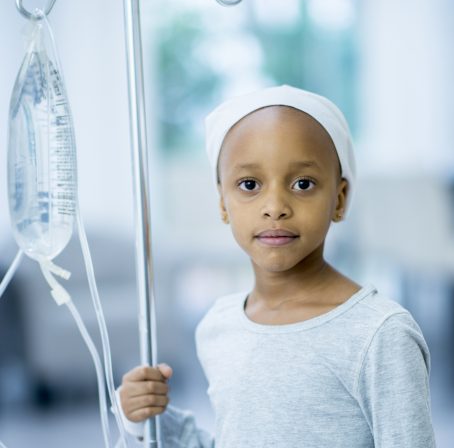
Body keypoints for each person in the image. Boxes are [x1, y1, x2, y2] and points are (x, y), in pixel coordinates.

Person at [116, 85, 436, 447]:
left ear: (340, 199)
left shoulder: (378, 334)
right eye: (249, 184)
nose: (275, 206)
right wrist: (142, 421)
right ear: (223, 202)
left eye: (303, 183)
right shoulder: (218, 327)